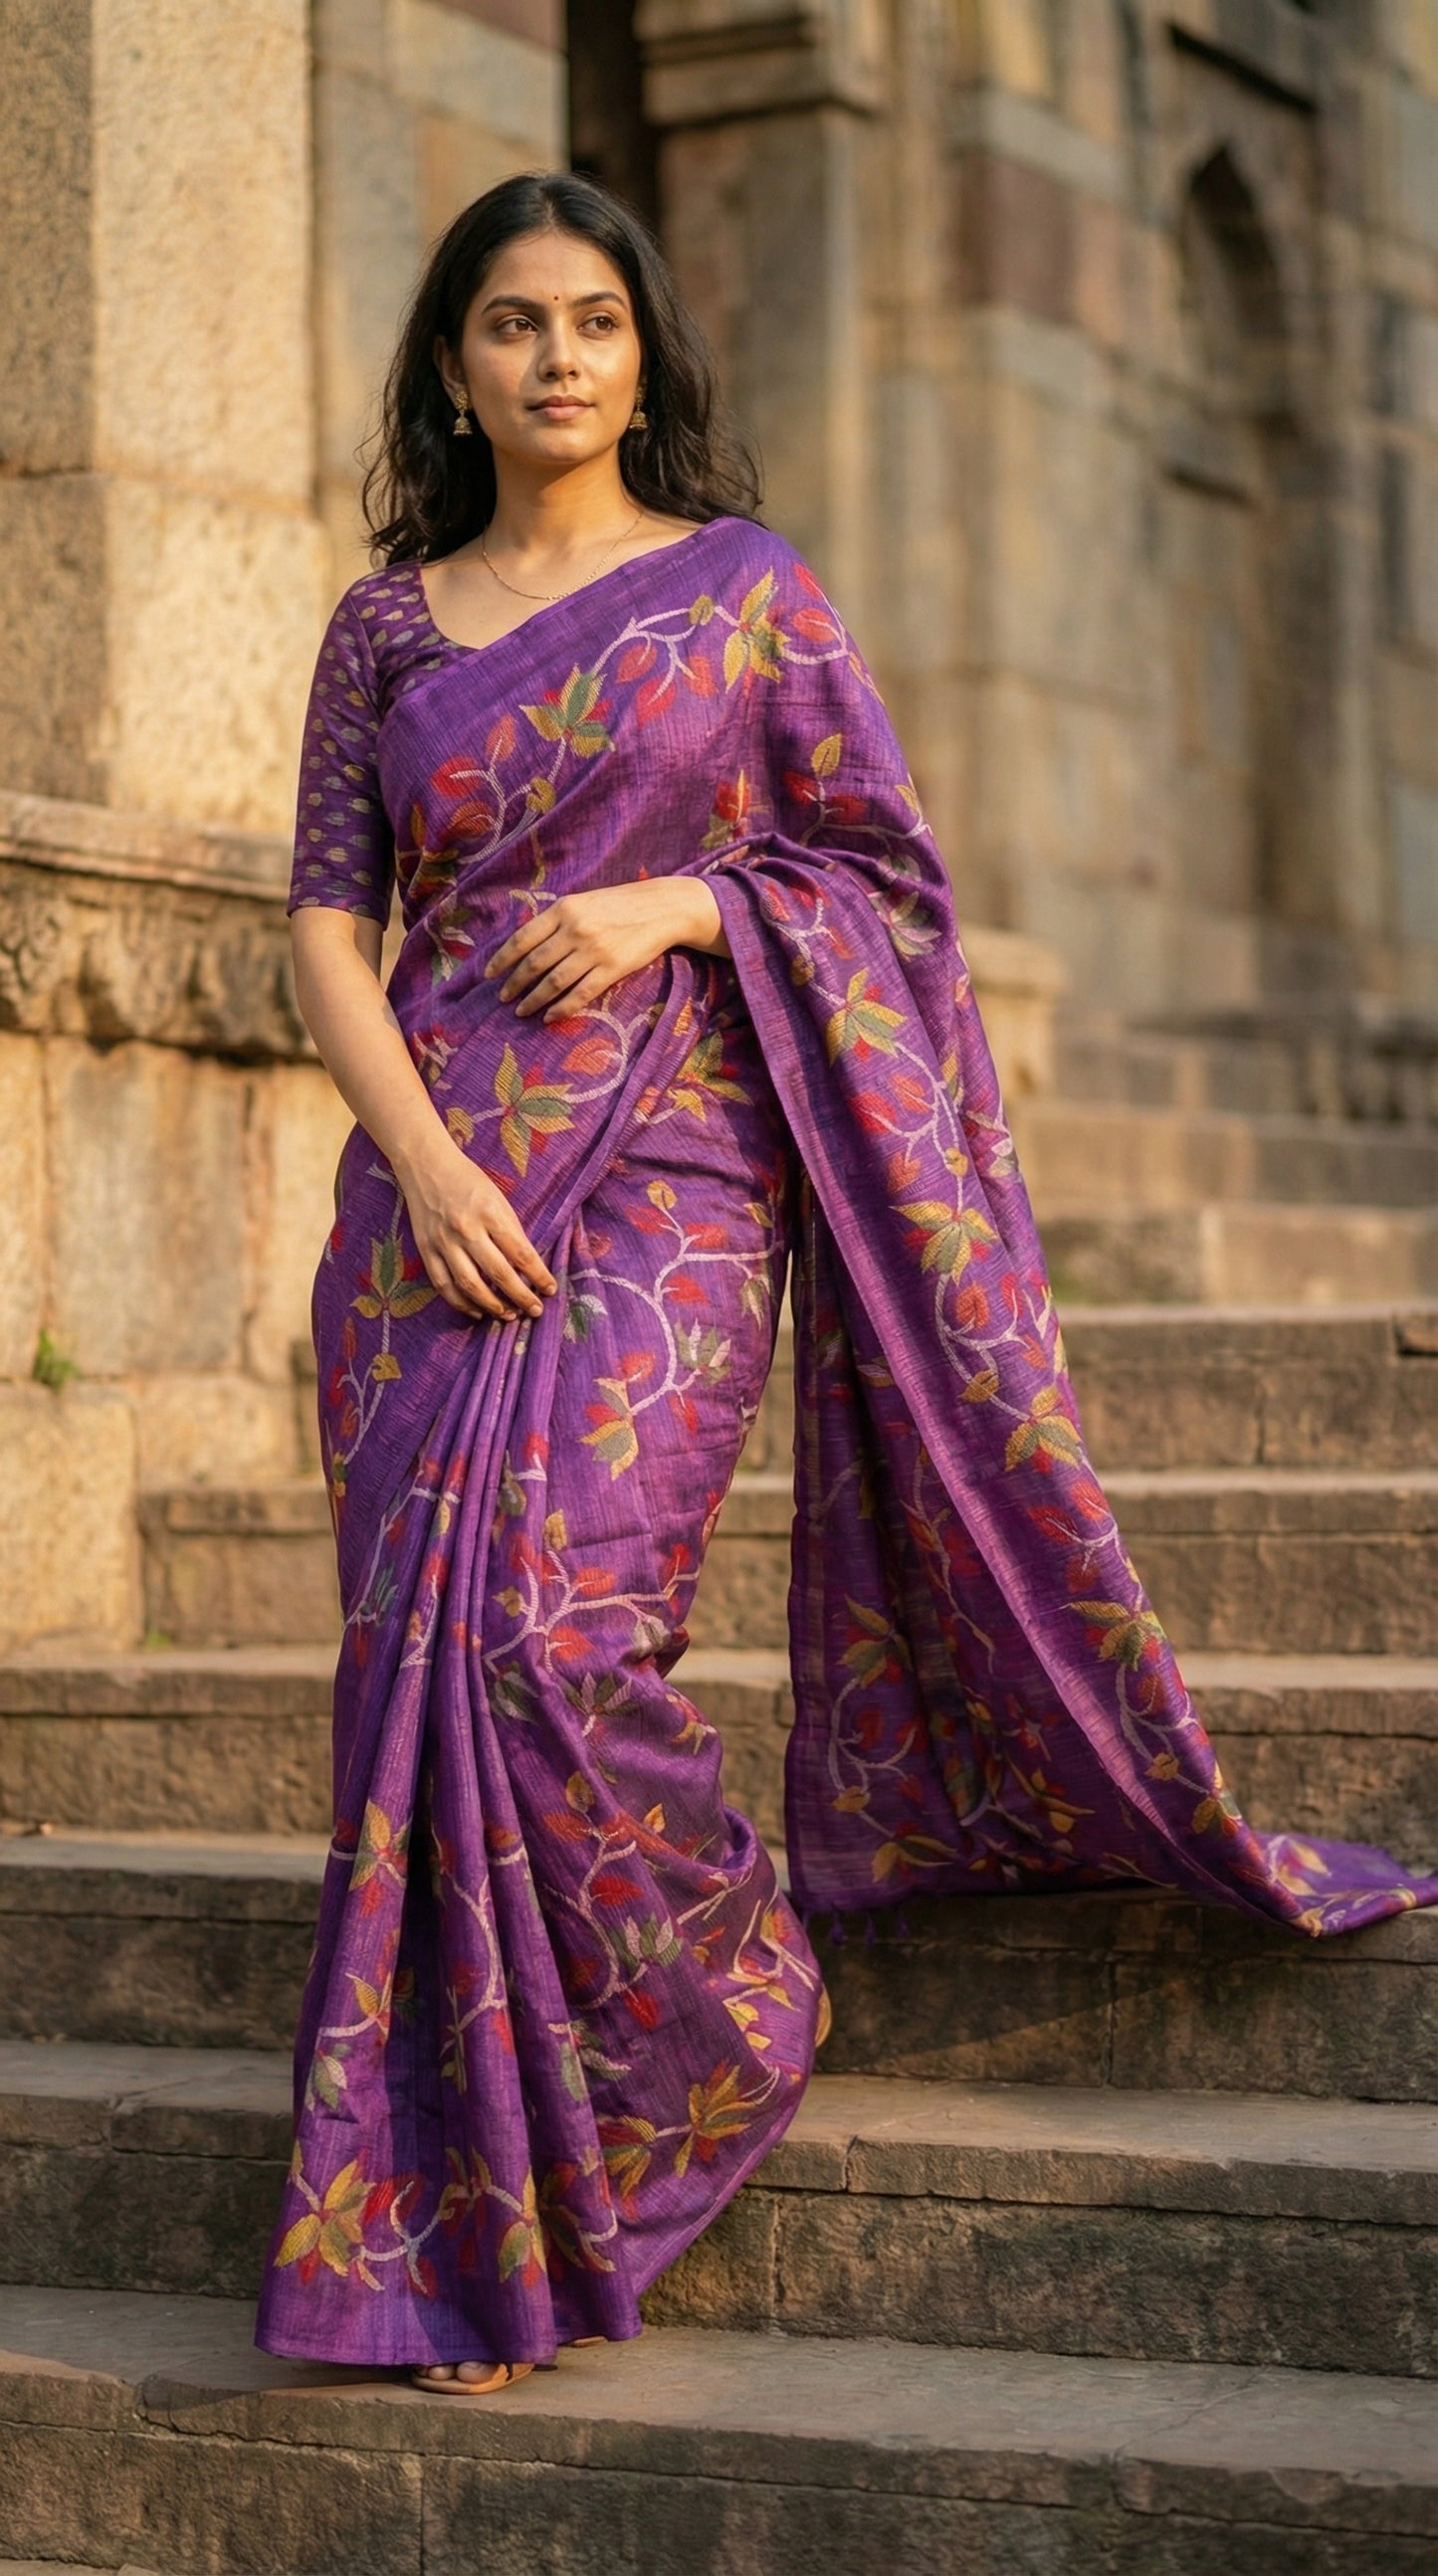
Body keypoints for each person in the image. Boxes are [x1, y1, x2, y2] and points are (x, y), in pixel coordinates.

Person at [254, 171, 1437, 2393]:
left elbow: (883, 887)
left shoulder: (749, 599)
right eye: (514, 323)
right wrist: (414, 1159)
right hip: (439, 1191)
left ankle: (710, 2016)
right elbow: (328, 919)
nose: (561, 359)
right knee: (417, 1675)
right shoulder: (387, 630)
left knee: (548, 1636)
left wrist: (683, 909)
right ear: (453, 363)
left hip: (680, 1172)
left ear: (646, 351)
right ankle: (478, 2212)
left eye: (598, 319)